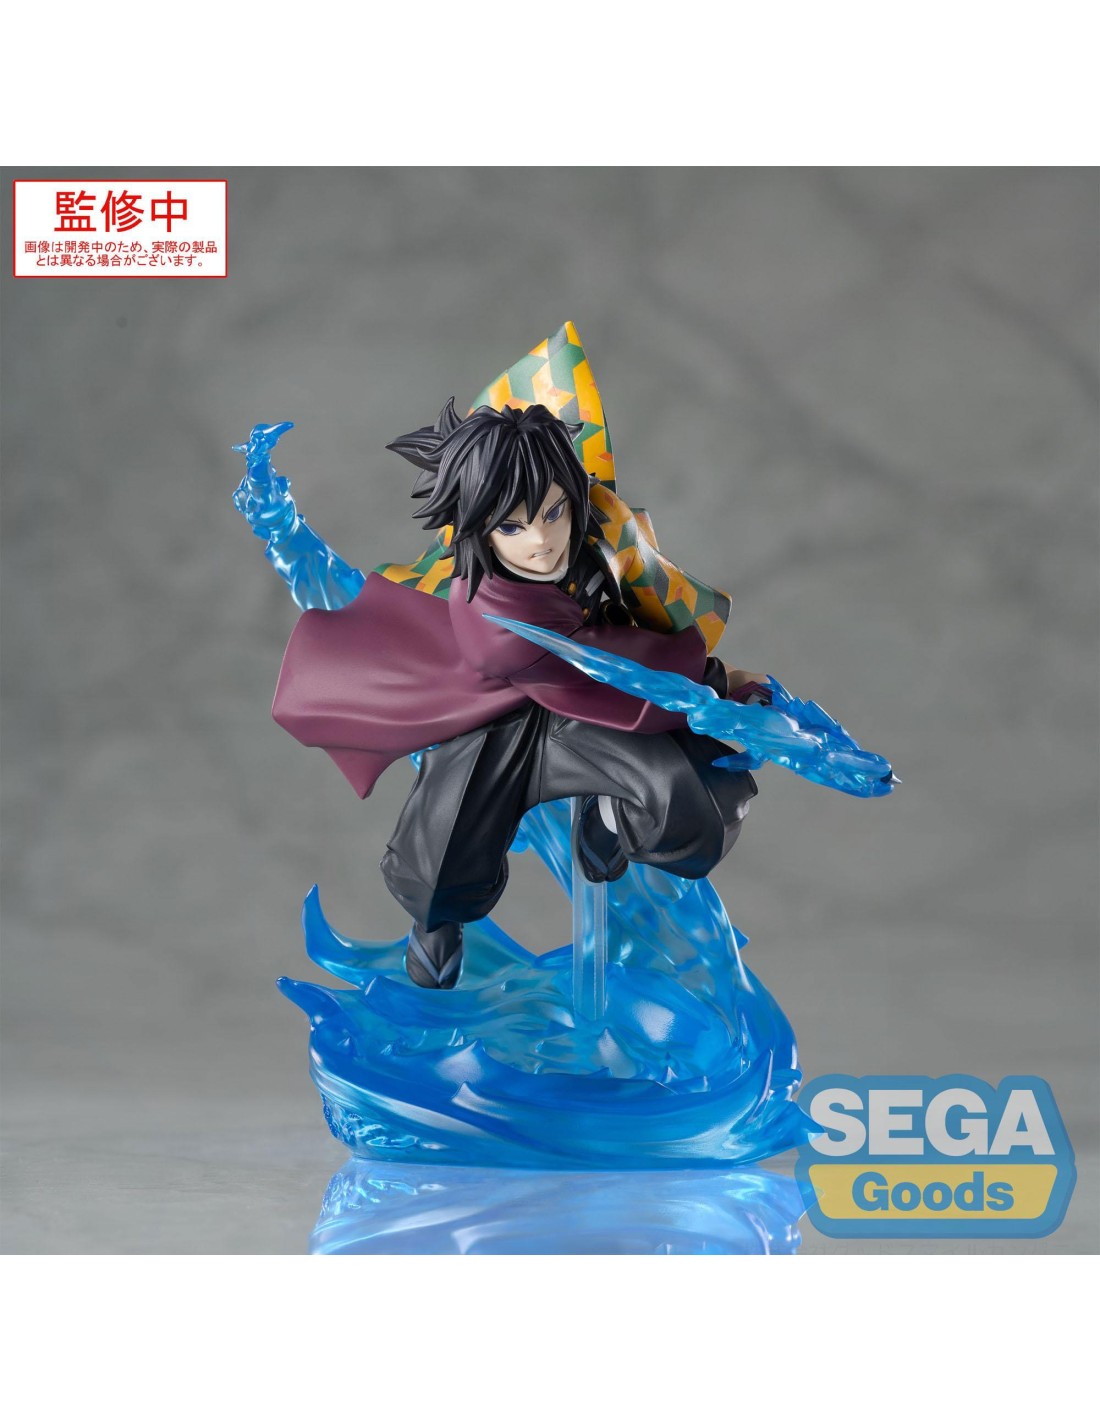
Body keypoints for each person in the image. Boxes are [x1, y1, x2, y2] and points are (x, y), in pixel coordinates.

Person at [241, 402, 769, 990]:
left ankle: (609, 817)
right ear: (480, 529)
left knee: (690, 796)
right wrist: (719, 680)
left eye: (553, 512)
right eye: (512, 527)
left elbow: (636, 626)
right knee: (443, 850)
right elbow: (615, 664)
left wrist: (718, 684)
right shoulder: (492, 618)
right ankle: (435, 925)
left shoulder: (597, 539)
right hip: (496, 718)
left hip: (590, 704)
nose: (541, 542)